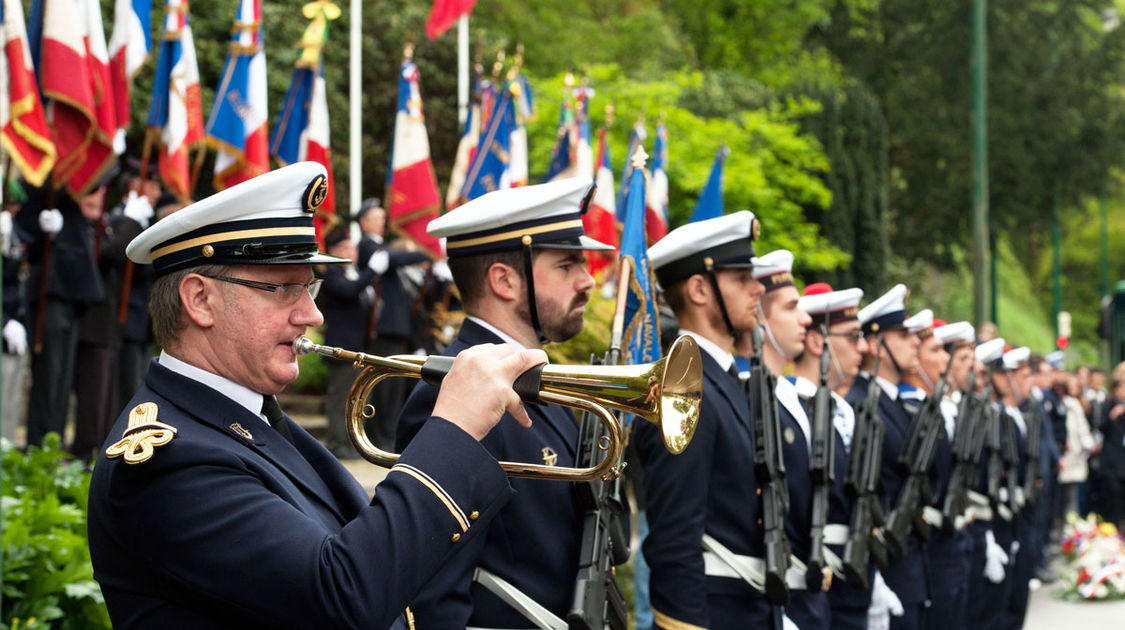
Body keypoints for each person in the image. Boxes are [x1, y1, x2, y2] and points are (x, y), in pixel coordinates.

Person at [88, 162, 547, 629]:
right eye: (285, 288)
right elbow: (341, 597)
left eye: (309, 286)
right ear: (200, 300)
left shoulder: (248, 418)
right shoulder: (165, 460)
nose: (311, 314)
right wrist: (453, 429)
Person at [394, 176, 615, 628]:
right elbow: (434, 592)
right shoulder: (451, 392)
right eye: (568, 265)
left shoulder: (540, 381)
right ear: (504, 281)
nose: (587, 281)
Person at [639, 211, 785, 629]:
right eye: (741, 278)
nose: (757, 288)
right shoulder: (686, 386)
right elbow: (674, 541)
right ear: (700, 289)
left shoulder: (723, 379)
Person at [752, 250, 830, 630]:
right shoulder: (752, 396)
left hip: (808, 593)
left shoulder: (788, 397)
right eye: (791, 308)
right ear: (760, 318)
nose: (805, 319)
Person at [791, 283, 871, 629]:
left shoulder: (844, 411)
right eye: (853, 336)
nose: (864, 347)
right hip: (810, 581)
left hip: (847, 576)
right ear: (815, 341)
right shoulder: (791, 408)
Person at [847, 284, 924, 630]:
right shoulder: (861, 402)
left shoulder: (890, 402)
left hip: (906, 562)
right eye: (903, 335)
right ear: (876, 344)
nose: (916, 342)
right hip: (883, 563)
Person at [15, 181, 108, 447]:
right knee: (48, 374)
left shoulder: (71, 192)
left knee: (62, 379)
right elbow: (27, 236)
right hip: (49, 291)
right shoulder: (44, 188)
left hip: (71, 294)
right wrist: (41, 231)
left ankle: (52, 448)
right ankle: (39, 446)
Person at [355, 197, 431, 450]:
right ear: (364, 223)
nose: (383, 221)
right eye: (376, 217)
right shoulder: (367, 246)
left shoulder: (382, 247)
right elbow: (394, 260)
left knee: (397, 387)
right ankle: (382, 438)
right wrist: (425, 251)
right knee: (387, 387)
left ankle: (390, 435)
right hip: (386, 327)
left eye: (382, 217)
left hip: (397, 328)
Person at [922, 320, 976, 630]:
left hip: (958, 537)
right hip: (935, 543)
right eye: (963, 360)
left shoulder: (957, 408)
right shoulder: (931, 410)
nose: (970, 369)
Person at [317, 226, 376, 458]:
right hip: (341, 347)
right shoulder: (332, 272)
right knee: (341, 398)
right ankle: (337, 444)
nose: (350, 252)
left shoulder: (354, 272)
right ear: (333, 251)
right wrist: (371, 271)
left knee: (358, 398)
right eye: (344, 248)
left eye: (351, 247)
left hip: (358, 346)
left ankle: (353, 444)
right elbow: (349, 292)